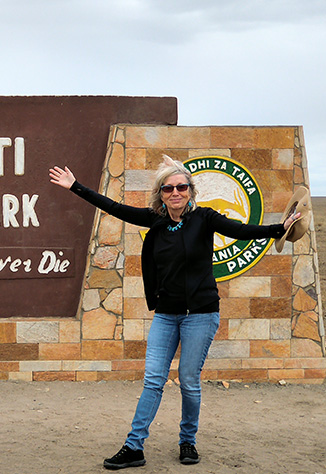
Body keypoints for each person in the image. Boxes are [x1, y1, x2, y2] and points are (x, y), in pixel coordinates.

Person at [48, 156, 300, 470]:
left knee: (188, 380)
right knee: (153, 380)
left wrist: (280, 229)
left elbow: (242, 230)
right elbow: (113, 207)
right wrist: (75, 187)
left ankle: (187, 441)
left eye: (181, 187)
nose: (175, 192)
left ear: (191, 191)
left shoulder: (205, 218)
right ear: (161, 194)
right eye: (168, 188)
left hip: (201, 314)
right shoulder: (156, 221)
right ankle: (134, 446)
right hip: (167, 315)